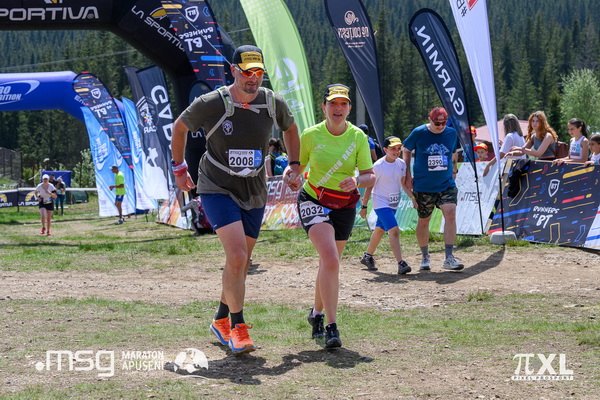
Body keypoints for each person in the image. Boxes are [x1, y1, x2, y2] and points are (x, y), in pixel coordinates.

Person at [171, 45, 300, 354]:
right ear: (233, 71)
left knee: (239, 263)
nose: (253, 79)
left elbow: (291, 129)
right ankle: (238, 328)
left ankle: (220, 319)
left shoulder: (272, 103)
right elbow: (179, 128)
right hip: (217, 186)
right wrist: (179, 169)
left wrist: (295, 165)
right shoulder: (212, 102)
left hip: (253, 189)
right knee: (239, 255)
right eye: (246, 72)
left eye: (258, 73)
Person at [292, 83, 374, 349]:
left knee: (330, 264)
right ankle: (332, 326)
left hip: (344, 204)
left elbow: (370, 176)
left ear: (349, 108)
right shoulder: (310, 135)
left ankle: (316, 314)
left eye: (343, 104)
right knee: (330, 259)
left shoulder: (358, 137)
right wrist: (290, 176)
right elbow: (297, 168)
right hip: (313, 199)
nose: (338, 108)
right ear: (324, 107)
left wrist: (356, 180)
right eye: (333, 103)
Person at [402, 107, 464, 272]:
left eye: (444, 123)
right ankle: (425, 256)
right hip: (424, 185)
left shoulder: (451, 133)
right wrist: (407, 174)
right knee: (424, 220)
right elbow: (406, 149)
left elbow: (453, 153)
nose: (441, 126)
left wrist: (454, 169)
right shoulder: (419, 132)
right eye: (437, 123)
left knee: (450, 213)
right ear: (430, 120)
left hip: (446, 183)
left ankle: (449, 257)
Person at [359, 136, 412, 274]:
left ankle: (367, 257)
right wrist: (364, 206)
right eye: (393, 148)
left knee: (380, 230)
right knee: (394, 230)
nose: (396, 151)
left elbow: (402, 184)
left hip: (393, 202)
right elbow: (369, 186)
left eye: (398, 148)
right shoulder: (378, 166)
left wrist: (413, 198)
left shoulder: (401, 164)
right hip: (380, 202)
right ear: (385, 149)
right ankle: (401, 263)